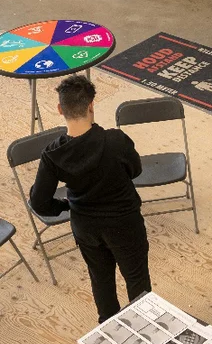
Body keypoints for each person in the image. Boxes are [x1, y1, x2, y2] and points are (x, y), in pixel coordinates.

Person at [29, 75, 151, 323]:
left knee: (101, 279)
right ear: (91, 105)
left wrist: (65, 206)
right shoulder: (116, 140)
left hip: (86, 226)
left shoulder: (52, 154)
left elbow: (39, 202)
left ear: (60, 109)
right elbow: (136, 170)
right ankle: (145, 327)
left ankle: (108, 328)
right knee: (137, 279)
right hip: (124, 223)